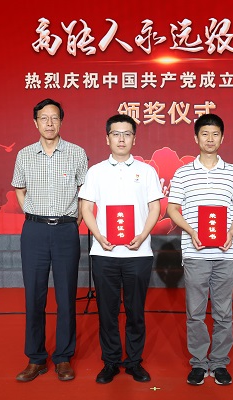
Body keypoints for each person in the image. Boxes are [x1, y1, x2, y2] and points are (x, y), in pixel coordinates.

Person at [79, 114, 163, 384]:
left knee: (136, 311)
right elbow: (85, 207)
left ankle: (134, 362)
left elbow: (155, 207)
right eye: (116, 134)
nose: (121, 139)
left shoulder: (146, 171)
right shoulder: (96, 172)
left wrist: (142, 235)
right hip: (104, 253)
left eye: (127, 134)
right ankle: (111, 361)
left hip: (138, 253)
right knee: (108, 311)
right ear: (107, 138)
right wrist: (99, 236)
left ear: (134, 139)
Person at [166, 114, 233, 386]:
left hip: (226, 252)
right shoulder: (183, 172)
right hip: (195, 253)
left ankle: (220, 362)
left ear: (222, 138)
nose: (210, 139)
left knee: (224, 312)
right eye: (205, 134)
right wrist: (191, 231)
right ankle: (199, 363)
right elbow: (172, 209)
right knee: (195, 312)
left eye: (215, 134)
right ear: (196, 138)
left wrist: (230, 232)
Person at [11, 98, 88, 382]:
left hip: (66, 230)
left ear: (61, 121)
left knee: (66, 296)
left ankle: (64, 357)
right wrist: (32, 214)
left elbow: (85, 193)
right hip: (34, 231)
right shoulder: (24, 155)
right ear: (35, 123)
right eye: (44, 118)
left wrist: (74, 222)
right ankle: (36, 358)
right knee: (34, 296)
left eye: (54, 118)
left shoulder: (77, 153)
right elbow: (19, 189)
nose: (49, 123)